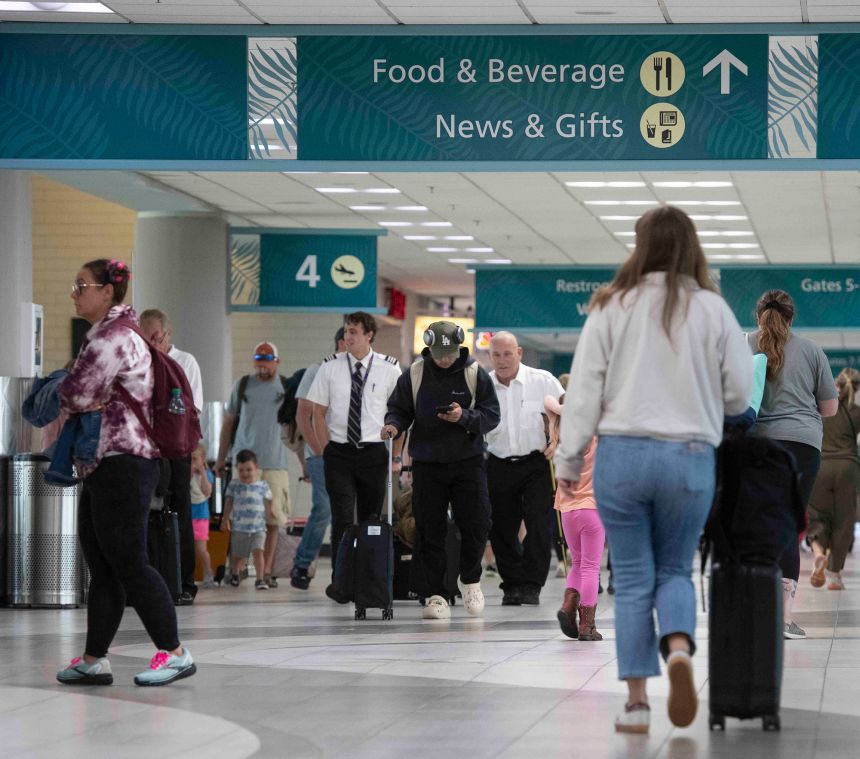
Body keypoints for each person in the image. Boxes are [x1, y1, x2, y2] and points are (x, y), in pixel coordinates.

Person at [555, 206, 752, 733]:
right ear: (691, 246)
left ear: (639, 247)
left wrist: (569, 460)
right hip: (689, 458)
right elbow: (738, 392)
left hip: (621, 456)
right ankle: (681, 649)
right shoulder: (712, 308)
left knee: (635, 578)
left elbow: (583, 395)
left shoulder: (610, 305)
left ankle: (638, 705)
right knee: (674, 569)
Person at [56, 258, 196, 687]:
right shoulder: (111, 333)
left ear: (107, 291)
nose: (75, 292)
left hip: (124, 462)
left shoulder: (112, 337)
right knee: (104, 564)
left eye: (82, 285)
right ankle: (95, 658)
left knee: (130, 561)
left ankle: (174, 652)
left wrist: (71, 391)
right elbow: (83, 395)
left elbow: (74, 393)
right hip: (107, 462)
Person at [382, 320, 500, 619]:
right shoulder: (415, 374)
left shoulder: (475, 374)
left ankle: (470, 580)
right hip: (428, 464)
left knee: (476, 524)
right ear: (429, 349)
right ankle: (436, 594)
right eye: (438, 353)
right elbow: (399, 408)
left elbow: (491, 416)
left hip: (468, 462)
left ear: (459, 347)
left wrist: (464, 417)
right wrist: (393, 425)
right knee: (429, 529)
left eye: (449, 352)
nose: (444, 358)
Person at [747, 290, 839, 638]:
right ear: (792, 317)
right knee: (788, 524)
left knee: (758, 525)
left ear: (759, 316)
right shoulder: (813, 350)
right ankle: (783, 618)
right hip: (803, 446)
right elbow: (829, 409)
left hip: (758, 446)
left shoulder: (746, 344)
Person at [304, 312, 402, 603]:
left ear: (369, 335)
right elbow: (316, 412)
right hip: (339, 452)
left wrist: (396, 455)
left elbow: (399, 413)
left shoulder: (389, 368)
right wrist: (324, 450)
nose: (348, 337)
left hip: (373, 451)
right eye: (346, 331)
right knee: (343, 518)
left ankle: (370, 580)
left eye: (354, 332)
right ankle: (342, 582)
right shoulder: (329, 368)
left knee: (371, 519)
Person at [485, 331, 563, 605]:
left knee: (539, 526)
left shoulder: (542, 381)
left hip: (536, 463)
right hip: (497, 463)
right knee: (502, 529)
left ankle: (532, 584)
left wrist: (557, 438)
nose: (502, 360)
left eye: (507, 354)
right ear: (489, 356)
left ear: (519, 352)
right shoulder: (483, 385)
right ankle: (512, 584)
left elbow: (568, 412)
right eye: (496, 355)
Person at [139, 308, 204, 605]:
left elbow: (192, 409)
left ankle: (184, 581)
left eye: (156, 338)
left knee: (180, 509)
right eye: (145, 338)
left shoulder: (185, 362)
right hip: (145, 447)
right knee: (143, 511)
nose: (152, 344)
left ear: (168, 334)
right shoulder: (138, 361)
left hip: (176, 448)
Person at [216, 341, 292, 588]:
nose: (262, 369)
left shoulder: (286, 388)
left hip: (275, 463)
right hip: (245, 461)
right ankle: (236, 569)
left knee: (272, 522)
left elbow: (297, 426)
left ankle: (265, 572)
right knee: (240, 521)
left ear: (276, 362)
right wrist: (220, 458)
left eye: (266, 363)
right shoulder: (242, 385)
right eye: (258, 364)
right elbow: (228, 423)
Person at [290, 327, 347, 590]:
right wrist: (320, 450)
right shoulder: (317, 370)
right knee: (323, 510)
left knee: (345, 513)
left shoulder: (356, 373)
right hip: (322, 454)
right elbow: (303, 415)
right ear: (340, 343)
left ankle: (343, 567)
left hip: (349, 454)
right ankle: (302, 564)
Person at [545, 394, 603, 641]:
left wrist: (562, 408)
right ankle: (586, 626)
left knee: (578, 563)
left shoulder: (559, 434)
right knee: (591, 567)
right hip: (593, 509)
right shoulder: (596, 434)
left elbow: (548, 401)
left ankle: (568, 608)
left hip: (568, 511)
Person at [809, 368, 860, 590]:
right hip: (848, 468)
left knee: (818, 515)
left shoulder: (821, 409)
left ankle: (819, 552)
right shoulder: (857, 412)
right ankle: (834, 575)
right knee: (843, 521)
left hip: (821, 466)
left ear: (836, 385)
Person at [221, 449, 273, 590]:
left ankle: (260, 579)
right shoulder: (234, 485)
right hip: (240, 527)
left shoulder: (262, 486)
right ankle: (236, 574)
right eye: (241, 470)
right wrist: (225, 519)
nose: (245, 473)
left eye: (249, 470)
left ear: (256, 468)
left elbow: (269, 501)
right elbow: (229, 502)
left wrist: (269, 514)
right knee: (239, 554)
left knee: (258, 551)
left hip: (259, 527)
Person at [190, 443, 215, 589]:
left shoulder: (207, 475)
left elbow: (207, 492)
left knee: (201, 548)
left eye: (195, 459)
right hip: (188, 515)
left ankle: (208, 572)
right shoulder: (188, 474)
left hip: (200, 516)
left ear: (202, 460)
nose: (192, 463)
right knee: (188, 549)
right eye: (190, 459)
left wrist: (203, 472)